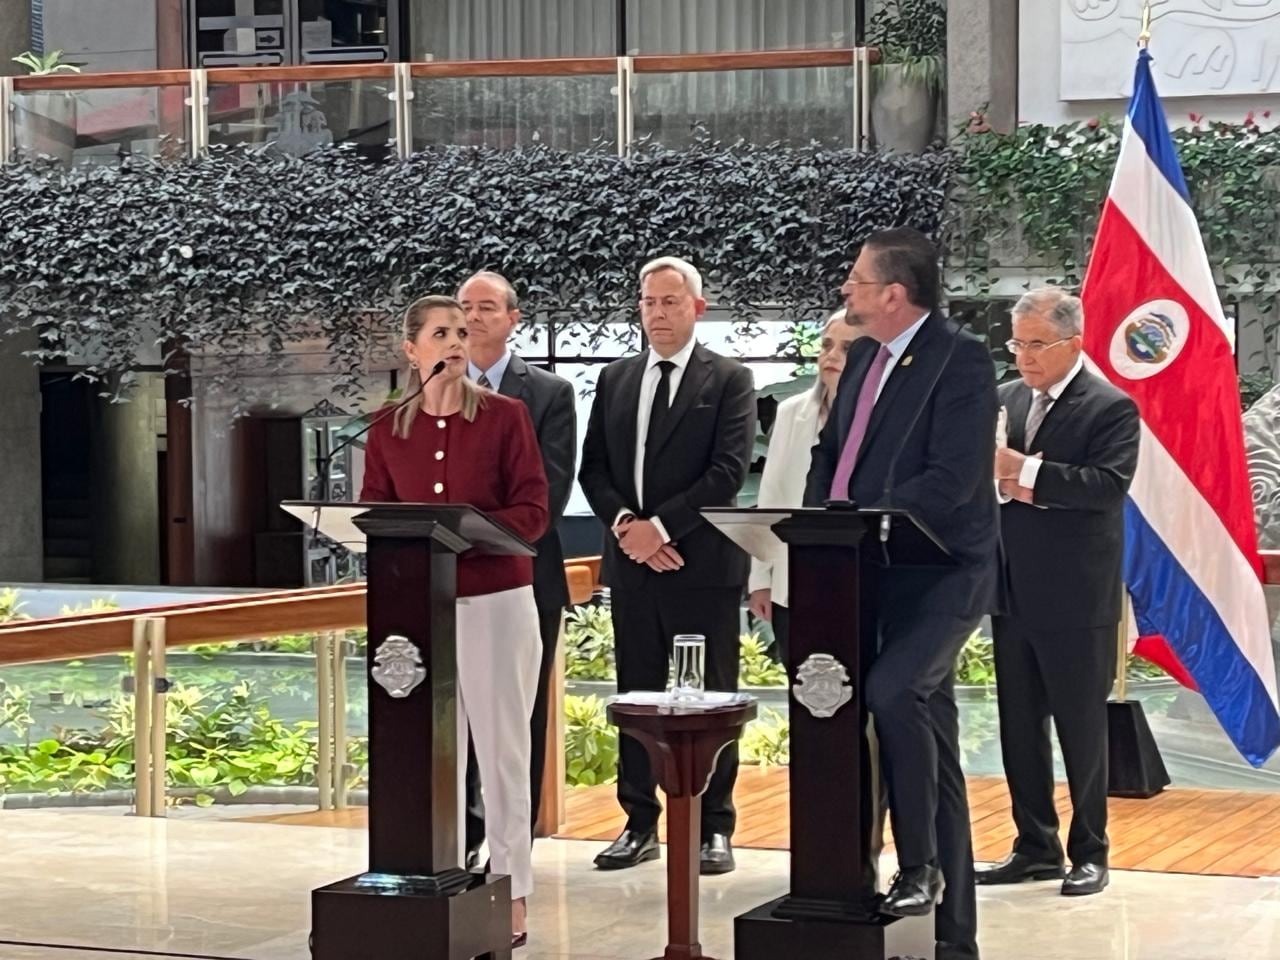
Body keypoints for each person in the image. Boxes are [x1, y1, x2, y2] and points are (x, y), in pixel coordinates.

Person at [804, 228, 998, 960]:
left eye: (857, 279)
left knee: (895, 693)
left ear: (894, 293)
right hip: (868, 567)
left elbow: (952, 481)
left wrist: (862, 512)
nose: (846, 290)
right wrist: (818, 520)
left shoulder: (962, 358)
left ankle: (917, 867)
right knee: (927, 742)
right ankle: (951, 936)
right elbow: (832, 457)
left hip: (946, 571)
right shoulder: (858, 359)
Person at [360, 294, 548, 948]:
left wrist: (476, 536)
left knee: (501, 755)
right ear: (411, 350)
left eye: (463, 332)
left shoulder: (505, 417)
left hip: (496, 603)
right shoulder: (388, 425)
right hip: (420, 610)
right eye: (441, 333)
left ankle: (513, 891)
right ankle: (426, 879)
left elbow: (533, 508)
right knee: (432, 754)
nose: (456, 343)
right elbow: (374, 513)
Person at [578, 255, 756, 875]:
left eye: (670, 302)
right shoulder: (617, 377)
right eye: (648, 302)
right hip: (631, 565)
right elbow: (592, 468)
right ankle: (638, 822)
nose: (657, 313)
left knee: (708, 697)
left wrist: (663, 527)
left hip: (701, 565)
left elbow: (729, 471)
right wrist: (629, 528)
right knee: (637, 694)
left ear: (697, 308)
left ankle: (715, 826)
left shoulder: (730, 378)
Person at [976, 288, 1139, 898]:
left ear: (1074, 343)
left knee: (1080, 727)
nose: (1024, 356)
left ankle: (1090, 850)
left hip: (1077, 596)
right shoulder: (1004, 399)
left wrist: (1025, 472)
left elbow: (1106, 486)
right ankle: (1033, 846)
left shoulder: (1110, 407)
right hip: (1012, 587)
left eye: (1037, 343)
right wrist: (1006, 483)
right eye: (1017, 343)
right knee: (1019, 727)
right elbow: (983, 475)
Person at [456, 271, 577, 865]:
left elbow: (548, 491)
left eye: (485, 308)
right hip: (446, 582)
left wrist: (473, 535)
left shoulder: (549, 393)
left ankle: (513, 842)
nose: (473, 318)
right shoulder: (434, 388)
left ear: (512, 319)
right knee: (452, 716)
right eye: (464, 307)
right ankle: (462, 836)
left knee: (516, 717)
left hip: (524, 574)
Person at [747, 308, 860, 662]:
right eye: (826, 345)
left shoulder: (885, 416)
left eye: (846, 348)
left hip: (857, 577)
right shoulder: (791, 412)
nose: (831, 355)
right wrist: (761, 578)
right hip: (792, 579)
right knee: (802, 687)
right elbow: (772, 496)